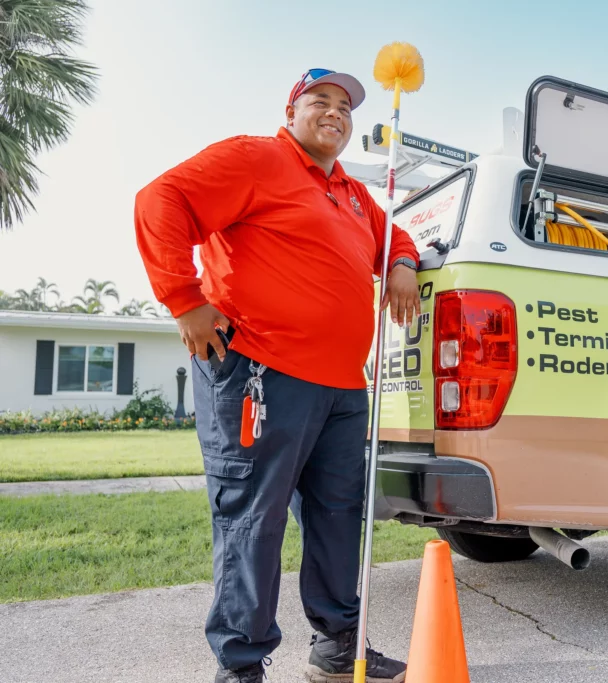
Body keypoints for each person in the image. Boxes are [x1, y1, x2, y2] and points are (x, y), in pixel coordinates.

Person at [134, 67, 420, 683]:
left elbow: (399, 238)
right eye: (321, 101)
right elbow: (161, 200)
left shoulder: (350, 191)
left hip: (343, 388)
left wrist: (398, 263)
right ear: (290, 112)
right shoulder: (256, 159)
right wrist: (184, 299)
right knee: (253, 520)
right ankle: (240, 668)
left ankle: (339, 652)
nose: (336, 114)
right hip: (261, 374)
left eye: (346, 107)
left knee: (339, 516)